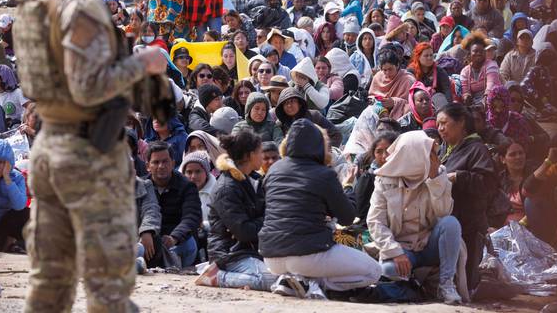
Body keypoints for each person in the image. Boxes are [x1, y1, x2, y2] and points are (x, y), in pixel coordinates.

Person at [18, 0, 172, 309]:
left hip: (50, 143)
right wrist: (142, 63)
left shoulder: (36, 1)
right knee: (108, 286)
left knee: (50, 282)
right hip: (88, 153)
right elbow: (88, 86)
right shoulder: (83, 5)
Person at [260, 118, 382, 295]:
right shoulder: (324, 173)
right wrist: (348, 187)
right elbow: (347, 217)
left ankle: (297, 281)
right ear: (319, 145)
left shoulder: (274, 169)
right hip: (307, 255)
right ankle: (313, 284)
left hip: (270, 257)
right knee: (374, 271)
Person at [368, 131, 464, 304]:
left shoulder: (438, 173)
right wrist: (395, 252)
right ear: (413, 156)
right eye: (430, 153)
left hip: (429, 245)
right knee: (389, 269)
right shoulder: (385, 180)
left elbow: (444, 213)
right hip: (402, 248)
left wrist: (435, 180)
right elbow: (375, 222)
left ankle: (446, 285)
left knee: (451, 223)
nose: (435, 158)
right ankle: (415, 284)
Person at [195, 131, 278, 291]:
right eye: (260, 152)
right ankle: (217, 276)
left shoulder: (252, 180)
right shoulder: (227, 188)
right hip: (229, 255)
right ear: (249, 155)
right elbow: (244, 232)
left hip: (250, 250)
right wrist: (270, 220)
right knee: (272, 280)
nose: (263, 156)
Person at [437, 103, 496, 290]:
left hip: (469, 225)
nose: (440, 128)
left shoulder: (477, 149)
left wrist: (459, 177)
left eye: (444, 123)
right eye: (438, 124)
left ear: (461, 122)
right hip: (448, 220)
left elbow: (488, 184)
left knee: (467, 281)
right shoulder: (446, 149)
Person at [144, 141, 201, 267]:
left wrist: (174, 238)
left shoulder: (187, 186)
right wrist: (145, 233)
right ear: (148, 166)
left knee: (189, 244)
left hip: (177, 243)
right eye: (156, 162)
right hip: (150, 241)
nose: (161, 166)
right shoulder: (141, 187)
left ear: (173, 163)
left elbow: (192, 217)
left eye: (165, 161)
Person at [354, 131, 399, 224]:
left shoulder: (407, 176)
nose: (384, 156)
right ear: (374, 154)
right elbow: (360, 215)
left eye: (388, 150)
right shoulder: (368, 178)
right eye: (379, 152)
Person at [274, 87, 342, 147]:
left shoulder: (314, 116)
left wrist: (321, 151)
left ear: (299, 104)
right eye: (285, 103)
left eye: (292, 101)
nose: (289, 105)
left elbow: (336, 135)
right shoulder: (280, 124)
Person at [459, 32, 502, 105]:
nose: (479, 53)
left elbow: (491, 86)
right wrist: (467, 97)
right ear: (469, 54)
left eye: (481, 51)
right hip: (474, 104)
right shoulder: (465, 71)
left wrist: (484, 101)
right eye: (475, 51)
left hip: (493, 101)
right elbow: (465, 91)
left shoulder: (491, 65)